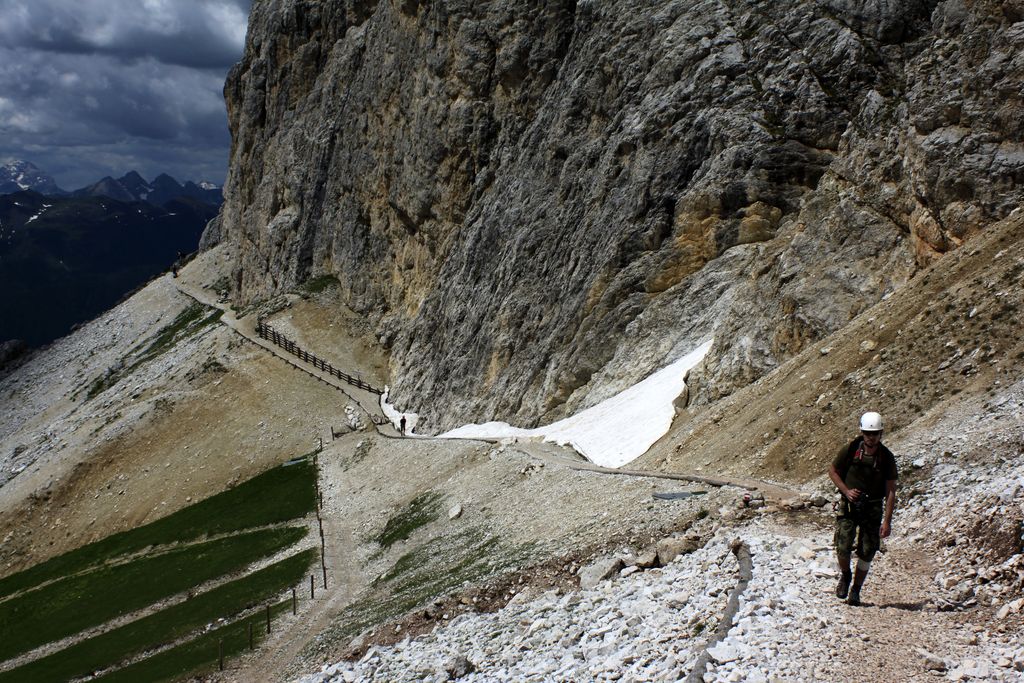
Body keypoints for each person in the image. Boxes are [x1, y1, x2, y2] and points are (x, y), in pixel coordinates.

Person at [828, 411, 897, 606]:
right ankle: (845, 575)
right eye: (867, 433)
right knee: (842, 545)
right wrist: (846, 491)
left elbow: (891, 489)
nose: (871, 437)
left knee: (867, 551)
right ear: (862, 432)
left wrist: (887, 521)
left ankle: (856, 590)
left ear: (881, 433)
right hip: (849, 505)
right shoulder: (850, 450)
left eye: (874, 434)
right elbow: (832, 471)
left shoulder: (886, 457)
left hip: (873, 507)